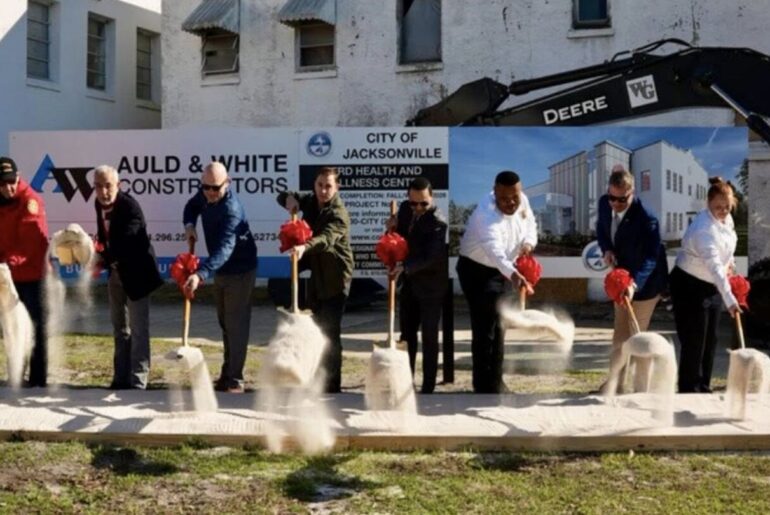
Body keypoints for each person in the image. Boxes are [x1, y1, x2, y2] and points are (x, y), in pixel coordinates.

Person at [456, 170, 537, 394]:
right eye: (504, 198)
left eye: (515, 197)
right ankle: (483, 386)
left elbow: (531, 226)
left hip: (505, 270)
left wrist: (528, 244)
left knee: (500, 326)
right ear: (495, 193)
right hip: (477, 270)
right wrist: (513, 275)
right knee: (485, 328)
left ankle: (496, 382)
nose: (511, 202)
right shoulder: (486, 214)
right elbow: (495, 253)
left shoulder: (523, 201)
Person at [277, 166, 354, 393]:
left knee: (329, 331)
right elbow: (282, 195)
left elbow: (326, 239)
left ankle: (331, 385)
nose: (323, 190)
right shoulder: (311, 200)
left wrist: (304, 247)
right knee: (314, 327)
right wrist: (289, 200)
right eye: (320, 185)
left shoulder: (339, 214)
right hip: (315, 272)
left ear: (337, 187)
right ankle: (313, 378)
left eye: (328, 186)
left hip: (335, 276)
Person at [184, 161, 258, 394]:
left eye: (215, 188)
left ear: (228, 183)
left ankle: (236, 379)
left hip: (240, 270)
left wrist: (200, 274)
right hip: (222, 270)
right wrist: (189, 225)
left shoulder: (232, 210)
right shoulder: (205, 195)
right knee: (225, 322)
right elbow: (191, 206)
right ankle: (227, 374)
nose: (210, 193)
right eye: (206, 187)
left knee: (236, 325)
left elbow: (225, 248)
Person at [596, 165, 668, 394]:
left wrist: (634, 283)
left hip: (645, 284)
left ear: (632, 192)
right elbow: (601, 229)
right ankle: (615, 386)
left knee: (638, 339)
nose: (615, 204)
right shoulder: (604, 203)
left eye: (621, 200)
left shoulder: (647, 218)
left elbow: (651, 257)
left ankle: (641, 391)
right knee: (620, 336)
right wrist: (607, 249)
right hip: (621, 279)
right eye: (612, 198)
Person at [93, 165, 163, 390]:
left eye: (108, 186)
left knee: (139, 328)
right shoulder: (98, 204)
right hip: (116, 273)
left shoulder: (130, 206)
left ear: (119, 185)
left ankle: (138, 380)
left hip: (137, 274)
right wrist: (100, 258)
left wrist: (101, 255)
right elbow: (105, 238)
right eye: (98, 186)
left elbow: (128, 242)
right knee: (118, 327)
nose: (103, 192)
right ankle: (120, 377)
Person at [670, 177, 740, 393]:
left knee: (711, 339)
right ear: (708, 203)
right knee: (694, 340)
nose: (723, 211)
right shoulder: (703, 229)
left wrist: (732, 263)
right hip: (689, 286)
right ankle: (689, 390)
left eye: (727, 207)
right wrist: (730, 299)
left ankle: (704, 386)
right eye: (718, 207)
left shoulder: (726, 220)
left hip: (712, 285)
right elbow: (714, 266)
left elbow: (726, 249)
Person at [385, 177, 447, 394]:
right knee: (407, 335)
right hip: (409, 284)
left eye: (424, 203)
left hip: (431, 286)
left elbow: (431, 257)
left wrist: (405, 267)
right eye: (414, 203)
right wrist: (390, 229)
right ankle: (405, 381)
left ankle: (428, 386)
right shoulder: (403, 209)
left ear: (432, 198)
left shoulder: (439, 222)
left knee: (429, 336)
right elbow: (396, 240)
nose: (418, 208)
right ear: (407, 198)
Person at [0, 156, 49, 387]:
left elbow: (31, 244)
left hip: (32, 276)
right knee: (11, 328)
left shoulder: (31, 201)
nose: (7, 188)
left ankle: (37, 381)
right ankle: (16, 378)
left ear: (18, 177)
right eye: (2, 184)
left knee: (36, 329)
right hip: (8, 277)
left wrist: (7, 263)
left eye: (11, 181)